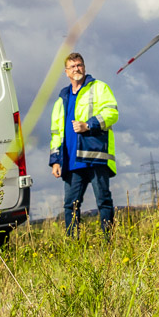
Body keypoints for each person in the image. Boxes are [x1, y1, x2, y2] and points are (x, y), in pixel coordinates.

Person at [48, 52, 119, 231]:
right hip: (71, 160)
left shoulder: (99, 88)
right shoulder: (61, 98)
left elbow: (112, 113)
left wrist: (88, 125)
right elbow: (56, 133)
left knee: (103, 201)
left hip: (95, 155)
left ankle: (108, 242)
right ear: (66, 72)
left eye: (79, 65)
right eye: (72, 67)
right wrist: (56, 161)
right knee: (70, 206)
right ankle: (74, 245)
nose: (76, 69)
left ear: (84, 67)